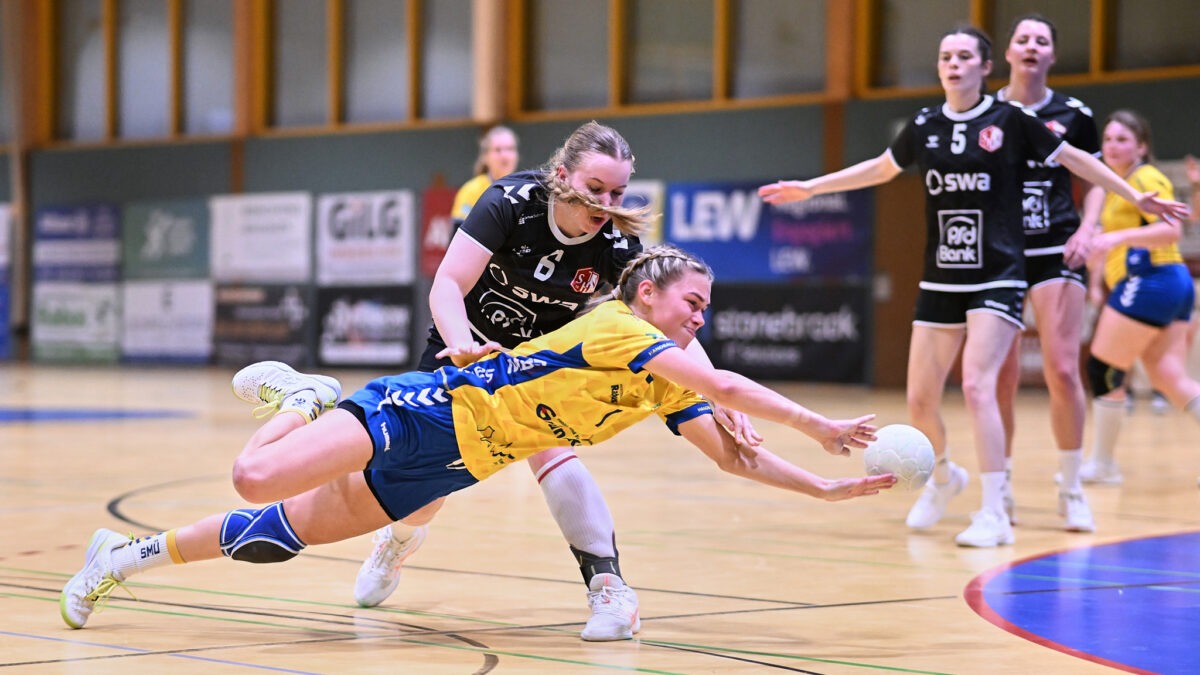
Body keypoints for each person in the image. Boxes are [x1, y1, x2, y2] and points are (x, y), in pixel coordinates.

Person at [59, 245, 896, 632]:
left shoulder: (662, 379)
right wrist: (821, 425)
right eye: (692, 303)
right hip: (423, 410)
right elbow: (730, 387)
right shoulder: (617, 326)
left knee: (275, 535)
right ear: (647, 295)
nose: (700, 319)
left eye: (707, 310)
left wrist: (824, 487)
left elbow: (734, 450)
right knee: (253, 476)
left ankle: (118, 556)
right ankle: (305, 396)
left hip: (454, 464)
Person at [758, 25, 1188, 548]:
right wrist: (811, 187)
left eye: (964, 56)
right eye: (946, 56)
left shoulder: (1010, 119)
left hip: (998, 272)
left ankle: (995, 511)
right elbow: (881, 168)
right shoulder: (925, 124)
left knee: (979, 386)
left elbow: (1077, 158)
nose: (953, 63)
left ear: (986, 67)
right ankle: (944, 477)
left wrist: (1134, 196)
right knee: (920, 400)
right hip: (941, 275)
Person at [356, 120, 762, 642]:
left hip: (542, 357)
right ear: (563, 174)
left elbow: (663, 326)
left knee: (552, 449)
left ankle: (610, 589)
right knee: (423, 480)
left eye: (618, 192)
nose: (607, 202)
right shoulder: (509, 202)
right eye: (596, 188)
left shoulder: (618, 242)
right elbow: (449, 283)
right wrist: (460, 347)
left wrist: (713, 387)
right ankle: (399, 539)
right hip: (469, 340)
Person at [991, 13, 1100, 531]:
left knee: (1062, 369)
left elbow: (1095, 180)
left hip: (1059, 245)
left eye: (1041, 40)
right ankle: (1001, 484)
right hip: (1002, 251)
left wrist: (1088, 230)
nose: (1031, 46)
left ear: (1052, 55)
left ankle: (1072, 487)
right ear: (1008, 53)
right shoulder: (987, 113)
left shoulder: (1074, 114)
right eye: (1023, 39)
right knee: (1002, 375)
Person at [1076, 110, 1200, 482]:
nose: (1112, 146)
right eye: (1108, 139)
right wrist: (1098, 270)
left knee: (1103, 368)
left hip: (1153, 278)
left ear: (1142, 147)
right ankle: (1102, 463)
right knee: (1168, 377)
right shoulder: (1118, 186)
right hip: (1167, 283)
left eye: (1123, 139)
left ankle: (1103, 464)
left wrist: (1117, 237)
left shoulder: (1146, 177)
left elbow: (1171, 231)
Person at [450, 125, 520, 229]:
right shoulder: (471, 190)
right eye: (498, 150)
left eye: (510, 149)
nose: (504, 155)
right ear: (485, 157)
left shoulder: (524, 188)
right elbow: (458, 231)